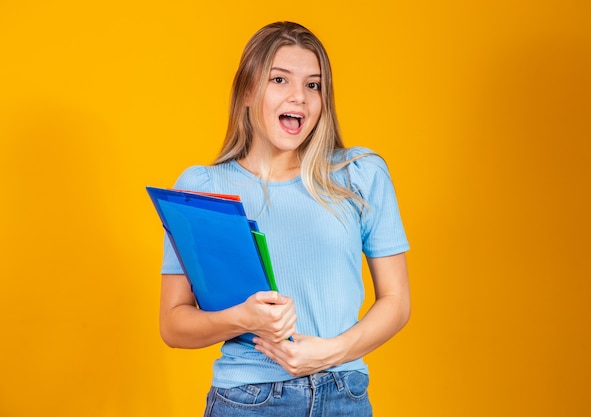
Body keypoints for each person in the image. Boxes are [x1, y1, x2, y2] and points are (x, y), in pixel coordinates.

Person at [159, 21, 410, 417]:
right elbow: (173, 324)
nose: (300, 98)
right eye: (280, 79)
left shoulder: (360, 174)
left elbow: (397, 302)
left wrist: (329, 352)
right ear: (246, 91)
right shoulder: (204, 186)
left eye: (313, 85)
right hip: (248, 400)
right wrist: (241, 317)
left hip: (344, 395)